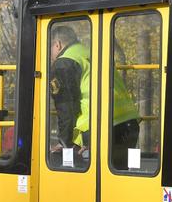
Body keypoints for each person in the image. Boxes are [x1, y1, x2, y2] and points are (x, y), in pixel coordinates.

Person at [49, 25, 140, 168]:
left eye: (50, 50)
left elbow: (66, 108)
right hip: (129, 124)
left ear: (57, 44)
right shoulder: (94, 52)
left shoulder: (64, 63)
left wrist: (64, 143)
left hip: (98, 129)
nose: (51, 56)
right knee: (119, 178)